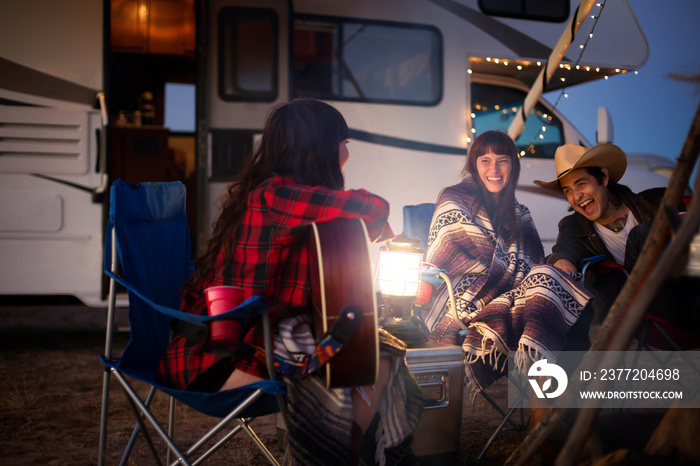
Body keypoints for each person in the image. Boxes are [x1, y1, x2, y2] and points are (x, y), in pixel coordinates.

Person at [157, 98, 422, 465]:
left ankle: (343, 455)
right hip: (218, 358)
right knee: (366, 362)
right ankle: (341, 456)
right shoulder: (275, 196)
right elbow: (373, 206)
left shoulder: (280, 194)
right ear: (321, 149)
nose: (347, 151)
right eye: (343, 143)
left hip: (247, 343)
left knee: (377, 357)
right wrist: (368, 222)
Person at [422, 131, 591, 401]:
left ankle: (553, 407)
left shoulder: (520, 212)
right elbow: (451, 256)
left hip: (514, 298)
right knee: (542, 301)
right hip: (462, 301)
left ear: (513, 165)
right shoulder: (453, 198)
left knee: (547, 286)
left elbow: (534, 262)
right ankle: (543, 410)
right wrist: (511, 275)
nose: (494, 169)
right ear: (473, 165)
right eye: (485, 161)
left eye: (502, 161)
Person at [534, 143, 692, 324]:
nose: (576, 196)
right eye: (568, 191)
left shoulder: (657, 201)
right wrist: (558, 260)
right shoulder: (574, 228)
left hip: (689, 293)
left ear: (603, 178)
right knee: (640, 235)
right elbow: (562, 251)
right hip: (648, 309)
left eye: (582, 184)